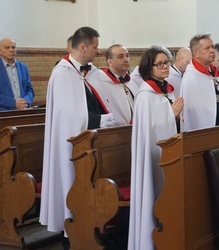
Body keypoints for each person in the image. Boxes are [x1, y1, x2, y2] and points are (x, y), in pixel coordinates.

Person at [40, 26, 116, 247]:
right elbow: (68, 115)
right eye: (95, 47)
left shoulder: (89, 72)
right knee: (72, 186)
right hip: (72, 147)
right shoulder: (62, 74)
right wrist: (99, 121)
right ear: (83, 47)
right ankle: (73, 234)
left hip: (92, 143)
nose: (98, 51)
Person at [128, 45, 183, 250]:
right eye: (159, 64)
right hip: (153, 156)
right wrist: (171, 115)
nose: (164, 67)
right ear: (149, 68)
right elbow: (150, 129)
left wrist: (175, 117)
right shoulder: (145, 94)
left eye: (166, 62)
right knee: (154, 193)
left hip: (169, 152)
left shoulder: (166, 89)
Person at [180, 33, 219, 131]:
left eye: (212, 47)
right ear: (196, 53)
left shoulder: (212, 72)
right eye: (207, 48)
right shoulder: (191, 77)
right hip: (208, 133)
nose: (212, 50)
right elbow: (197, 112)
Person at [95, 44, 139, 125]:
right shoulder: (102, 83)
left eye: (127, 56)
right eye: (120, 56)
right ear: (110, 62)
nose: (126, 59)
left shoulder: (131, 82)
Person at [0, 38, 34, 111]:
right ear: (0, 51)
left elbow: (30, 90)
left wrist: (26, 102)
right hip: (4, 113)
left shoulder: (23, 67)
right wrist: (13, 103)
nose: (11, 50)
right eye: (7, 48)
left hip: (23, 111)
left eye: (13, 47)